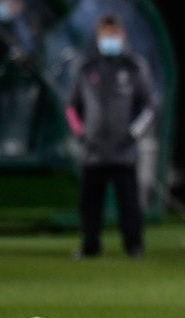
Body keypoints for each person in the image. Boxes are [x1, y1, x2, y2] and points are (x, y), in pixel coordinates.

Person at [65, 13, 157, 259]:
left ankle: (134, 246)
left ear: (123, 36)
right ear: (97, 37)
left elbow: (148, 106)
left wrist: (132, 134)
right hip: (93, 151)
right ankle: (90, 245)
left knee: (129, 203)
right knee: (90, 203)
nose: (110, 39)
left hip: (123, 151)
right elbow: (72, 107)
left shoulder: (135, 67)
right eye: (106, 35)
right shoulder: (86, 68)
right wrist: (81, 134)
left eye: (114, 34)